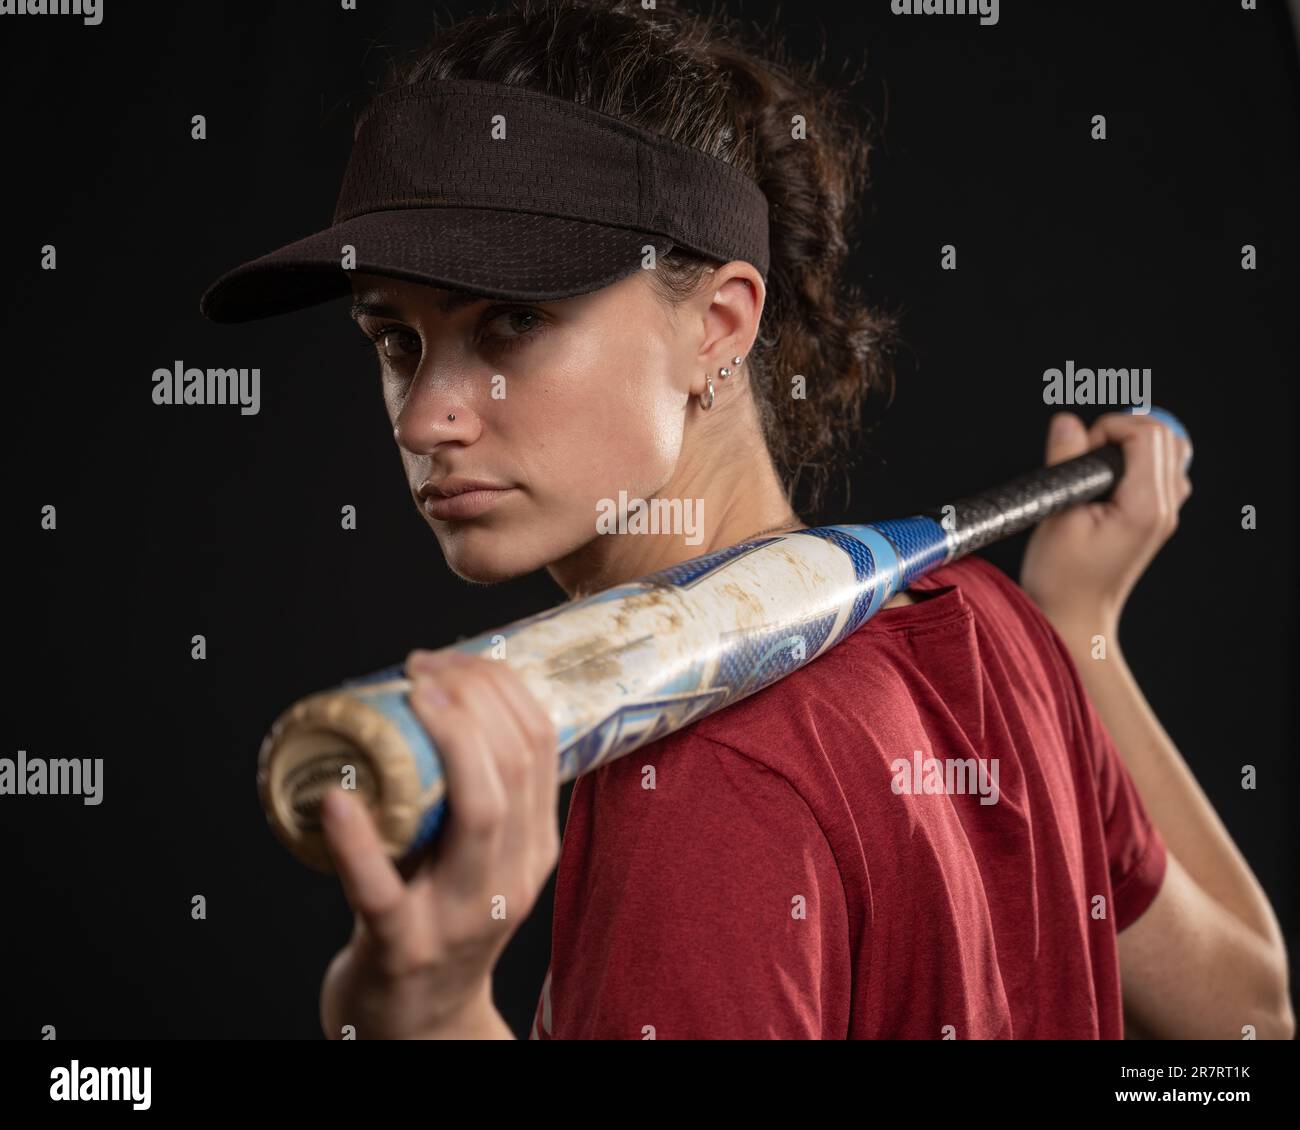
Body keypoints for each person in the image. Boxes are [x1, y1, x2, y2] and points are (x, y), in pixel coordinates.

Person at [200, 0, 1292, 1039]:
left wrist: (423, 1017)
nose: (430, 414)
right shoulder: (999, 630)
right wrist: (1078, 629)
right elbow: (1249, 1007)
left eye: (512, 322)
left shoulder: (705, 781)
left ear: (717, 325)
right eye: (395, 340)